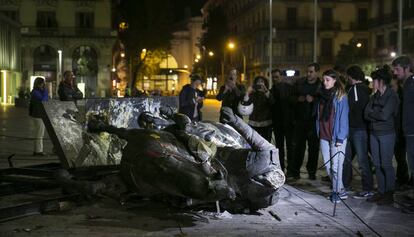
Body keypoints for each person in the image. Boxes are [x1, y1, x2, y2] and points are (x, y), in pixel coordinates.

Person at [365, 67, 399, 205]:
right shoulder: (374, 96)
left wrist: (374, 113)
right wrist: (376, 113)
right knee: (377, 165)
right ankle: (381, 191)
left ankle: (389, 193)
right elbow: (366, 113)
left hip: (387, 134)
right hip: (374, 133)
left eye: (374, 81)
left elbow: (385, 116)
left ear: (381, 82)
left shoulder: (392, 96)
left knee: (386, 164)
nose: (372, 83)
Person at [316, 69, 349, 203]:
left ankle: (336, 192)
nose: (325, 82)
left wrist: (341, 137)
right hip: (324, 135)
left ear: (335, 80)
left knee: (336, 166)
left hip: (337, 137)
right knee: (328, 166)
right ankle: (341, 189)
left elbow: (343, 118)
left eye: (327, 80)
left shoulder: (341, 96)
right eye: (323, 80)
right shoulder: (321, 95)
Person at [342, 65, 374, 199]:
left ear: (351, 76)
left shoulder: (355, 89)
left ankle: (367, 188)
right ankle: (345, 184)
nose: (347, 79)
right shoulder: (364, 89)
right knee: (348, 158)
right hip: (357, 128)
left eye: (348, 76)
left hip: (357, 129)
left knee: (361, 160)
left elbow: (354, 107)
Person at [290, 63, 321, 180]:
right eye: (307, 72)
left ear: (317, 72)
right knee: (298, 147)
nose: (308, 74)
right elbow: (291, 98)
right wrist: (298, 99)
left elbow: (325, 101)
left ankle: (312, 172)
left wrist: (314, 100)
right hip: (300, 121)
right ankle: (295, 171)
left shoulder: (321, 85)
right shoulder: (300, 83)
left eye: (311, 72)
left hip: (314, 121)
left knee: (313, 148)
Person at [392, 56, 414, 188]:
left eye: (397, 69)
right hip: (408, 131)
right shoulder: (406, 85)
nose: (395, 73)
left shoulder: (412, 84)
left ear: (406, 68)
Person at [270, 69, 295, 172]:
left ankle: (291, 169)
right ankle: (281, 167)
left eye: (277, 77)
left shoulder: (289, 88)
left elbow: (292, 103)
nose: (275, 79)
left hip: (288, 122)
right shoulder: (272, 90)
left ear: (281, 76)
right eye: (273, 77)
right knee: (279, 147)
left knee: (290, 146)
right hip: (277, 123)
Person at [241, 76, 273, 141]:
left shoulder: (268, 93)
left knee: (266, 144)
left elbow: (272, 102)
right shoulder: (252, 94)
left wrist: (266, 91)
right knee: (253, 144)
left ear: (265, 84)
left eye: (262, 82)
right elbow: (245, 105)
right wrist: (247, 93)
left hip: (266, 124)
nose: (260, 83)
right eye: (258, 82)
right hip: (253, 124)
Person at [29, 77, 49, 156]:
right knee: (39, 134)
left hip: (41, 114)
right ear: (38, 83)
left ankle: (38, 150)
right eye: (42, 83)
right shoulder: (34, 92)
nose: (43, 85)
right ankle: (38, 151)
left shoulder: (40, 91)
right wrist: (45, 91)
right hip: (37, 115)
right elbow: (43, 99)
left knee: (40, 133)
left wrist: (45, 92)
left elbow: (46, 99)